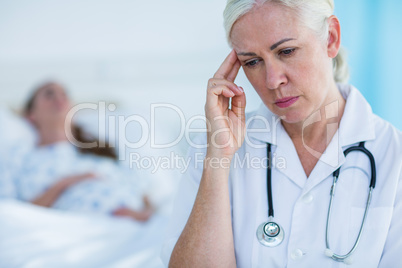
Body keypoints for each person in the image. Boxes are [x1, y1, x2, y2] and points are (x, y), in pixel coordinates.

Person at [161, 0, 402, 267]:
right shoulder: (214, 150)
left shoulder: (394, 156)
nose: (272, 80)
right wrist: (218, 161)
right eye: (252, 61)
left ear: (331, 38)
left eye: (287, 51)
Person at [13, 81, 153, 222]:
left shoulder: (101, 152)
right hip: (90, 227)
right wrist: (65, 183)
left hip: (138, 222)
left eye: (64, 94)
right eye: (49, 94)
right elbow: (24, 213)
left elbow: (144, 195)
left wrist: (145, 213)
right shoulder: (27, 161)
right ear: (31, 115)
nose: (59, 98)